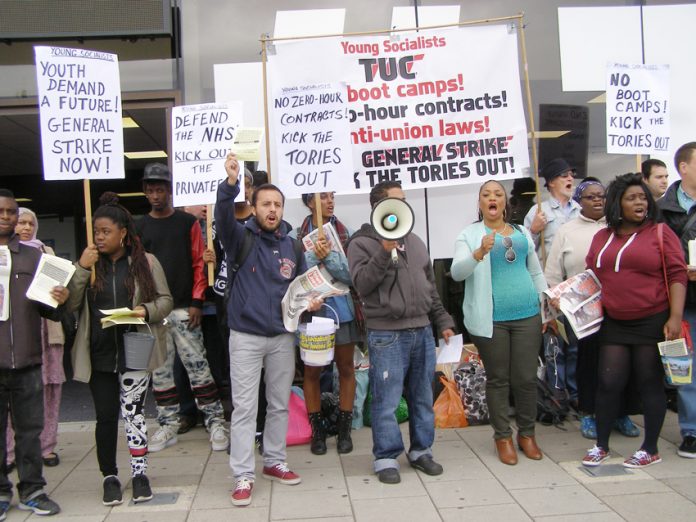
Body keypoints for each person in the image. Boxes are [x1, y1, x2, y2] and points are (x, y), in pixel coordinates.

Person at [216, 154, 320, 507]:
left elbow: (303, 287)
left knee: (278, 404)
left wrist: (311, 302)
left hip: (281, 338)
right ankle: (242, 474)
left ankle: (274, 461)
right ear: (254, 206)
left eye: (277, 204)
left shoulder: (292, 245)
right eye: (266, 204)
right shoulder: (237, 238)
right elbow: (221, 214)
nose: (272, 209)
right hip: (245, 337)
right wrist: (230, 185)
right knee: (245, 408)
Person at [67, 193, 173, 505]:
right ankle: (109, 476)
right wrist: (81, 269)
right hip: (99, 352)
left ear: (122, 233)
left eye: (105, 231)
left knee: (135, 413)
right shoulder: (89, 265)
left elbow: (165, 300)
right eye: (95, 232)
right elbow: (69, 304)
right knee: (105, 416)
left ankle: (140, 473)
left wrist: (145, 310)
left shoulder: (146, 262)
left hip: (135, 347)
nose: (98, 237)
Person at [347, 181, 454, 485]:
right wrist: (383, 250)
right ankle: (385, 456)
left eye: (405, 201)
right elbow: (362, 284)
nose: (404, 207)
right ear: (379, 207)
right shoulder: (361, 243)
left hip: (421, 330)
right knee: (387, 399)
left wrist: (443, 320)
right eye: (398, 202)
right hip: (387, 334)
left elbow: (429, 287)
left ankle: (421, 451)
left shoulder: (416, 240)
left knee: (422, 396)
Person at [582, 173, 687, 468]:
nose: (640, 202)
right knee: (608, 381)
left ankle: (650, 448)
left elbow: (678, 274)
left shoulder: (660, 233)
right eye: (632, 198)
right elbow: (590, 276)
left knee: (648, 383)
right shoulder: (602, 236)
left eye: (642, 197)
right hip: (614, 320)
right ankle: (601, 445)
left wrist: (675, 316)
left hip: (652, 320)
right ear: (618, 203)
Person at [451, 180, 547, 465]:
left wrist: (547, 304)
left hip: (528, 315)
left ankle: (527, 435)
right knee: (499, 380)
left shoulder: (521, 232)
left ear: (506, 202)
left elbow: (535, 272)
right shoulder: (469, 235)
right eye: (486, 194)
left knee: (527, 379)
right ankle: (502, 436)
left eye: (498, 194)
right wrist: (478, 253)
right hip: (491, 320)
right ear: (479, 203)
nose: (492, 198)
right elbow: (457, 273)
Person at [135, 163, 228, 453]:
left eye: (160, 189)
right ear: (145, 192)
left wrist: (198, 301)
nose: (155, 195)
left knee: (198, 367)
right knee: (160, 372)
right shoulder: (139, 226)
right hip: (154, 312)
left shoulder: (186, 222)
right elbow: (137, 268)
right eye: (150, 190)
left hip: (185, 307)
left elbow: (199, 262)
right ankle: (167, 424)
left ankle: (214, 421)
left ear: (169, 191)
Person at [544, 180, 639, 440]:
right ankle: (588, 413)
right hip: (583, 311)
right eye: (590, 197)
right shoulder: (567, 231)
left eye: (602, 196)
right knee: (588, 363)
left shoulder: (619, 227)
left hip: (620, 307)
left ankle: (621, 413)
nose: (598, 200)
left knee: (622, 364)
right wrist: (556, 299)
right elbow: (553, 273)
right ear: (578, 201)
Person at [0, 189, 67, 518]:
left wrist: (60, 298)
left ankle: (32, 490)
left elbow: (49, 311)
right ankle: (1, 492)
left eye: (12, 212)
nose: (7, 217)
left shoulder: (34, 256)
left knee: (29, 431)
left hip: (27, 358)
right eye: (2, 211)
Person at [290, 192, 362, 455]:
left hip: (342, 312)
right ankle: (317, 430)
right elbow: (294, 277)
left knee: (346, 369)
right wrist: (313, 257)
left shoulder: (348, 234)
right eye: (323, 197)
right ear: (309, 202)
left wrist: (330, 256)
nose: (330, 201)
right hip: (312, 316)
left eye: (332, 196)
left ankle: (344, 429)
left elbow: (354, 275)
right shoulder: (294, 237)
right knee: (312, 372)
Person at [657, 142, 696, 458]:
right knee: (683, 367)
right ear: (683, 167)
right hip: (677, 304)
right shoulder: (660, 210)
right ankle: (691, 431)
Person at [524, 158, 581, 263]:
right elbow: (524, 251)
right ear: (551, 182)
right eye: (564, 175)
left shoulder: (581, 211)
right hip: (550, 276)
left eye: (572, 174)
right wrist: (533, 231)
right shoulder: (538, 211)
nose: (570, 178)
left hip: (577, 276)